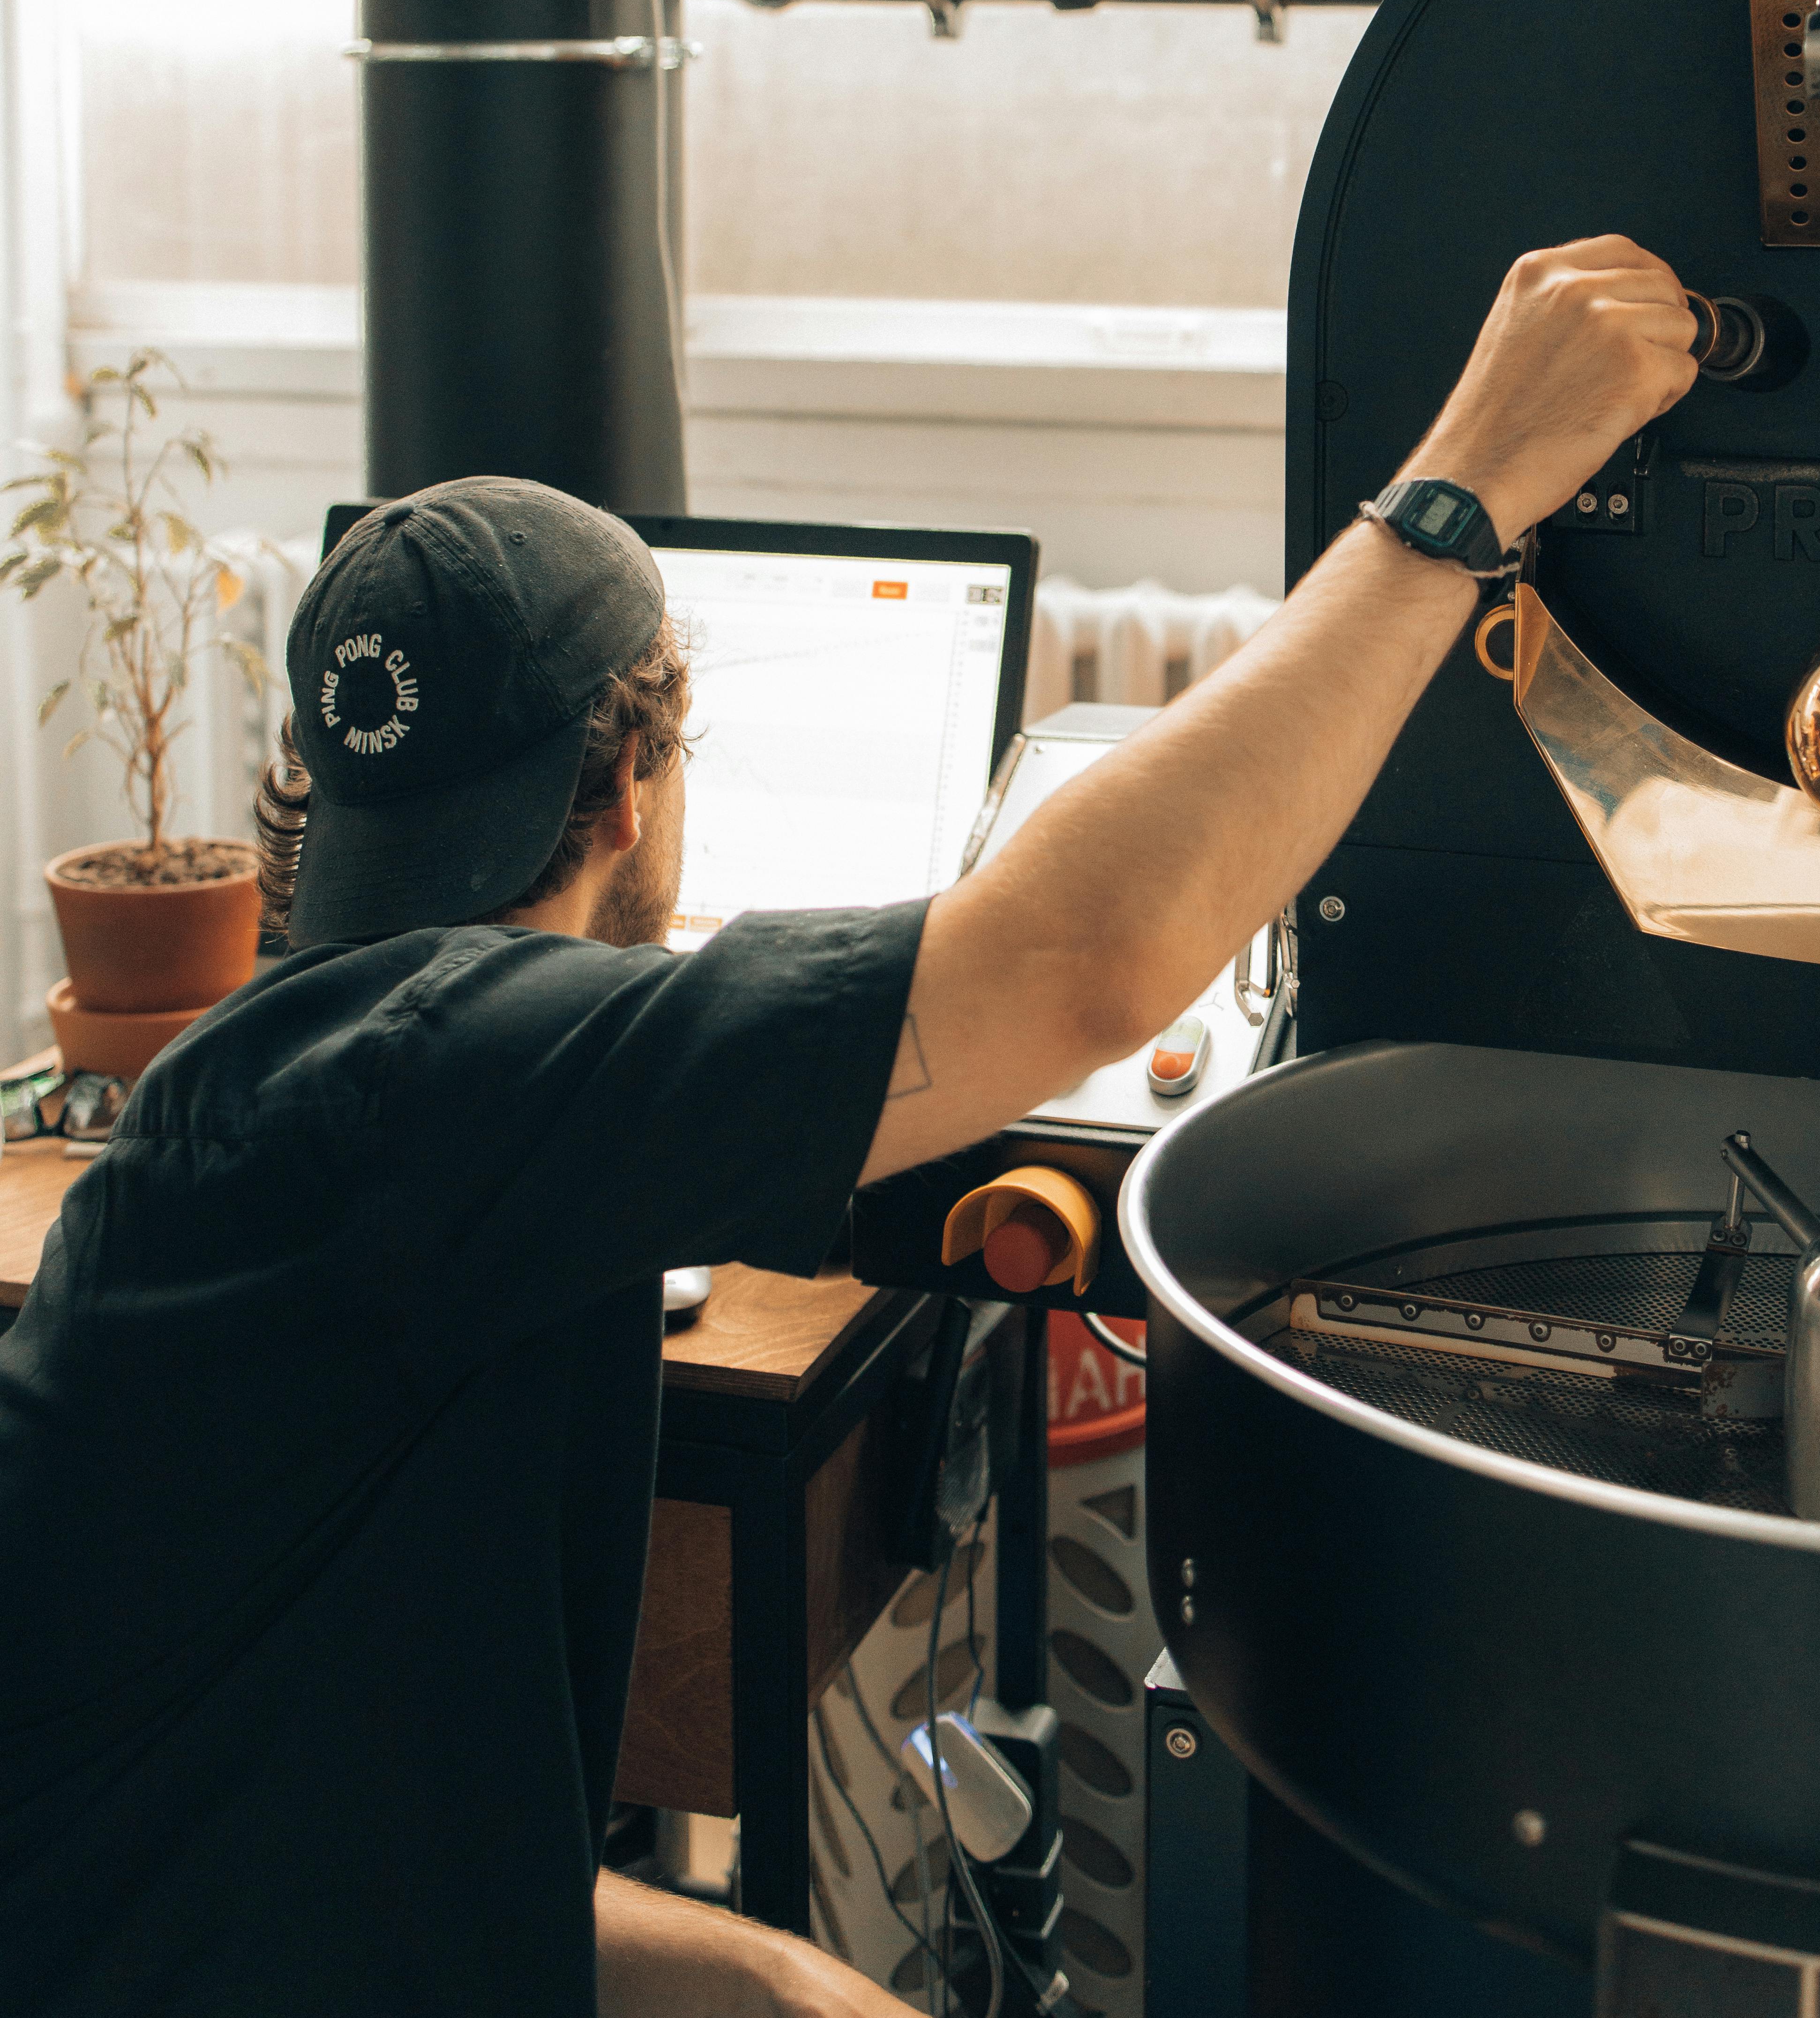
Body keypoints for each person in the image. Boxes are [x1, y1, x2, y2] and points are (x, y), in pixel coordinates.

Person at [0, 236, 1697, 2017]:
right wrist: (1469, 482)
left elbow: (368, 1870)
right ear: (642, 779)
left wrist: (785, 1992)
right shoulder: (452, 1070)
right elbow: (1082, 956)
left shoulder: (322, 1080)